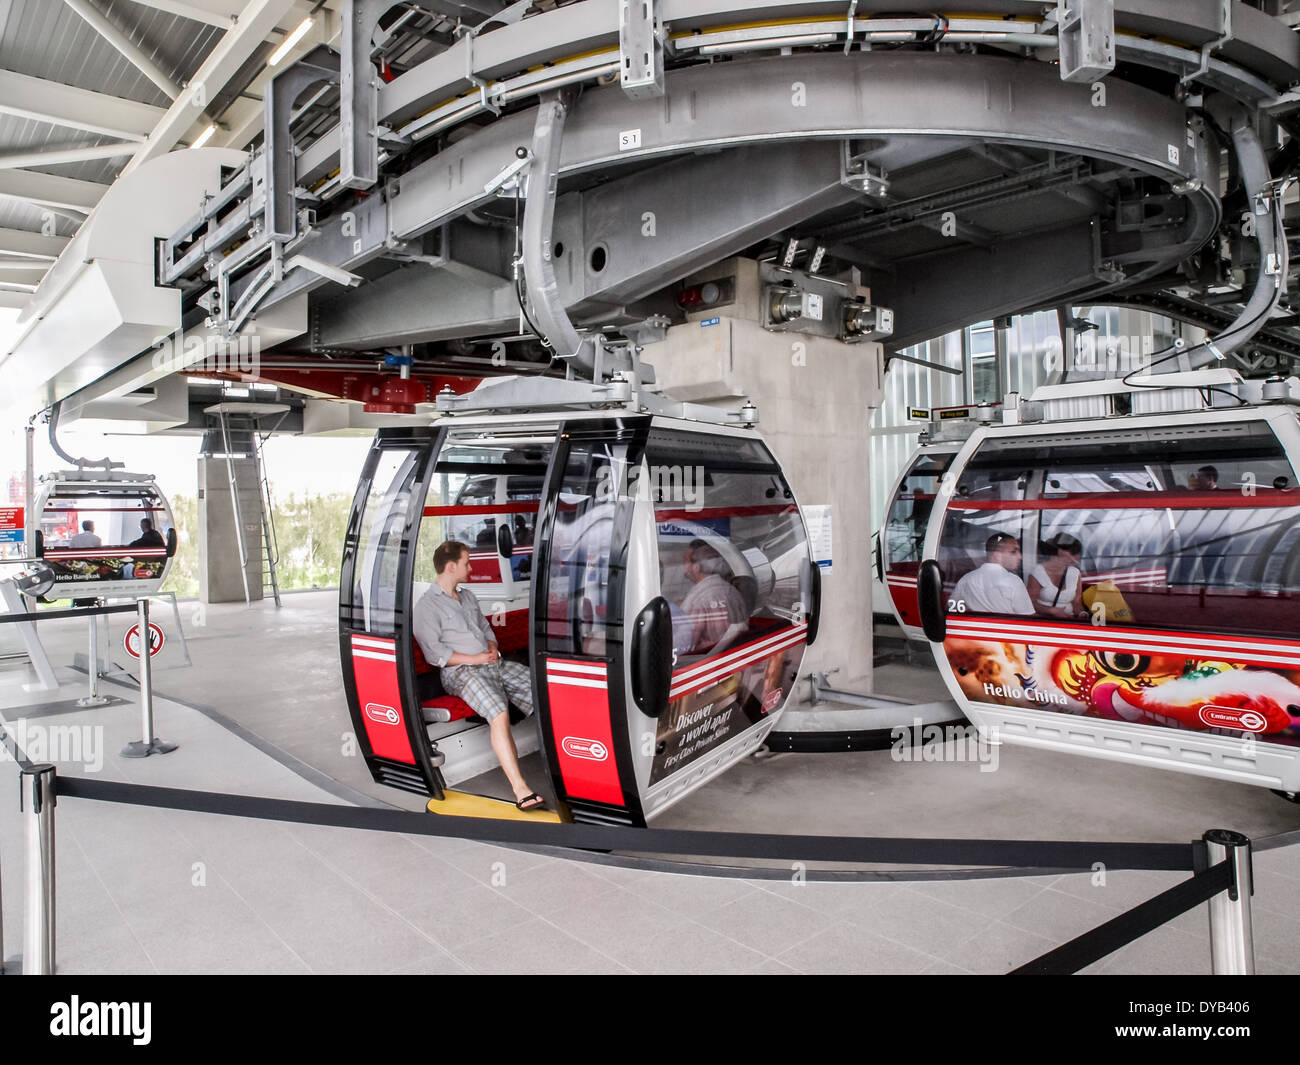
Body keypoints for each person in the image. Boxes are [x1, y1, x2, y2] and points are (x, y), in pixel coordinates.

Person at [412, 540, 544, 811]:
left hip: (492, 663)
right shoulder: (427, 607)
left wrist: (492, 647)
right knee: (499, 712)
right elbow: (435, 655)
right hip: (460, 672)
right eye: (466, 563)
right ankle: (520, 788)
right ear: (451, 566)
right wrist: (476, 659)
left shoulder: (468, 596)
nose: (471, 568)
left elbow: (485, 628)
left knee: (544, 692)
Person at [679, 540, 748, 654]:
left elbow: (685, 645)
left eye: (685, 563)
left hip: (711, 663)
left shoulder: (696, 600)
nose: (685, 569)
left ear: (696, 567)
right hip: (736, 657)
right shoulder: (732, 591)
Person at [951, 532, 1035, 616]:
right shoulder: (1014, 581)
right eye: (1013, 552)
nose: (1020, 556)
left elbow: (952, 607)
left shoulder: (966, 579)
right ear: (997, 555)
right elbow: (1027, 616)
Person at [1026, 533, 1086, 619]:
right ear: (1060, 552)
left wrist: (1082, 613)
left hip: (1070, 620)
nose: (1078, 557)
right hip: (1046, 620)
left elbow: (1076, 602)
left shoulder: (1075, 573)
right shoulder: (1038, 573)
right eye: (1074, 553)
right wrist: (1051, 610)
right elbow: (1030, 603)